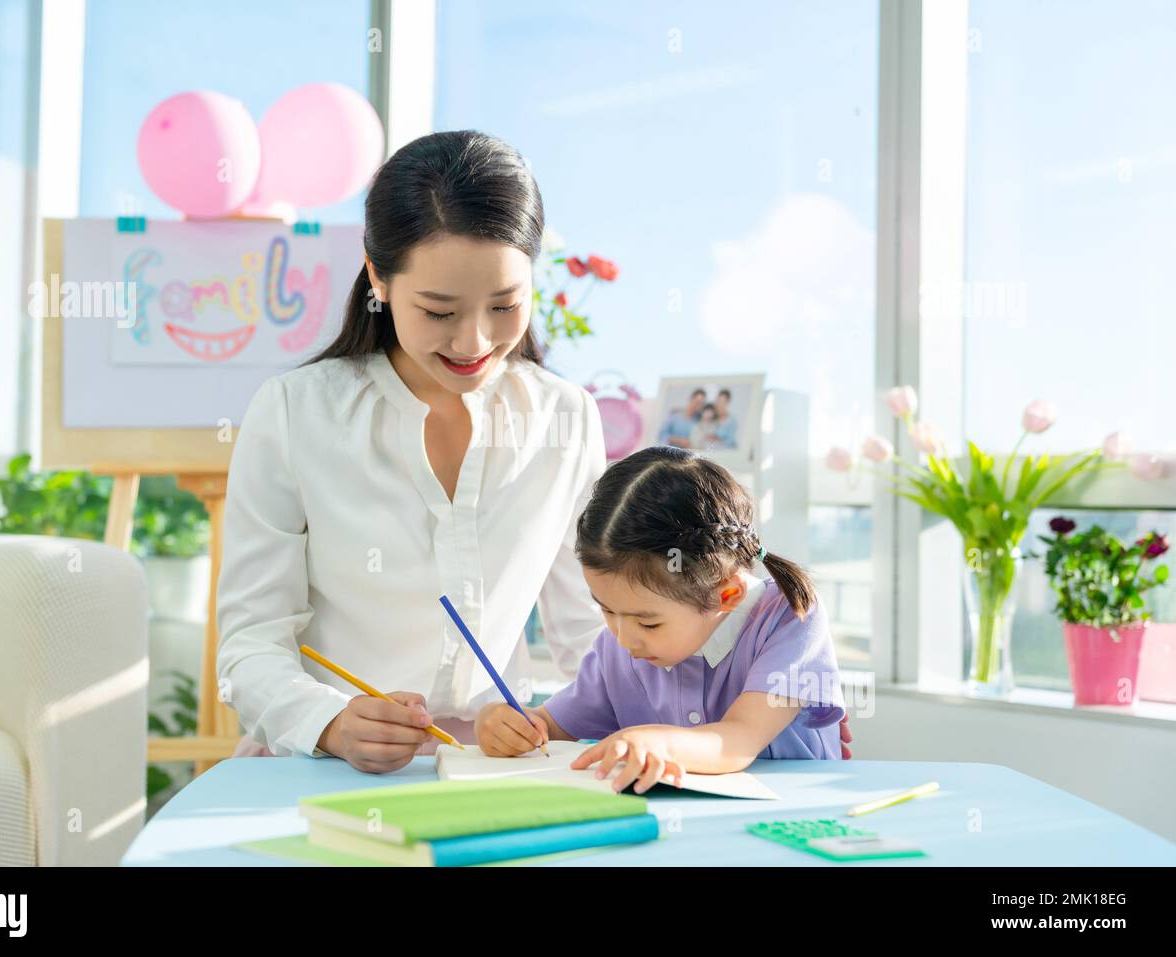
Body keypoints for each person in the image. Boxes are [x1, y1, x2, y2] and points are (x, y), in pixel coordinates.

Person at [216, 130, 610, 773]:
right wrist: (332, 723)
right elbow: (250, 645)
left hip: (500, 764)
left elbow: (595, 632)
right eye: (438, 311)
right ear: (379, 276)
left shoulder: (565, 418)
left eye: (505, 304)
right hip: (320, 761)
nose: (474, 340)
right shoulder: (295, 412)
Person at [474, 446, 847, 794]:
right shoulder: (619, 645)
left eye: (648, 623)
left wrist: (655, 741)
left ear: (726, 595)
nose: (622, 638)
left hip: (791, 819)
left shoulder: (786, 616)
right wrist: (507, 724)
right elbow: (552, 727)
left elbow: (739, 738)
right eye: (605, 609)